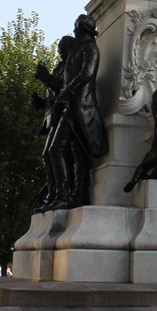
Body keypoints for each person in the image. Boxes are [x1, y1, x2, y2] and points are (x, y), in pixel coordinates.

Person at [45, 14, 108, 210]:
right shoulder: (77, 48)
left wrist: (66, 91)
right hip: (71, 107)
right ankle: (68, 195)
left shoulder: (89, 47)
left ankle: (67, 195)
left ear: (81, 29)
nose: (74, 31)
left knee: (60, 150)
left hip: (81, 107)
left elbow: (86, 73)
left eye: (76, 28)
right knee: (71, 151)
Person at [32, 35, 75, 212]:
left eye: (62, 46)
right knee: (47, 154)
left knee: (54, 151)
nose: (59, 49)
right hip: (54, 118)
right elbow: (55, 93)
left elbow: (64, 86)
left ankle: (62, 194)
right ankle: (53, 193)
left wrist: (45, 77)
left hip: (65, 116)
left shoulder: (70, 65)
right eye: (58, 46)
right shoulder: (60, 66)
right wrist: (41, 102)